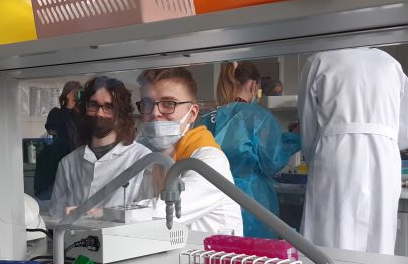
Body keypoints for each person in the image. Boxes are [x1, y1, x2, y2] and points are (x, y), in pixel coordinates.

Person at [298, 48, 408, 255]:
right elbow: (407, 134)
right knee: (379, 233)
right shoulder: (390, 63)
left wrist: (313, 158)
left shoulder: (319, 61)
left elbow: (307, 125)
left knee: (332, 232)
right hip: (384, 156)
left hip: (335, 152)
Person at [199, 61, 300, 238]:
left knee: (222, 250)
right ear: (254, 85)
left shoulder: (208, 118)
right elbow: (272, 161)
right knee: (255, 251)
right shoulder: (258, 117)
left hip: (213, 200)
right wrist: (294, 138)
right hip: (252, 202)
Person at [137, 67, 243, 235]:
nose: (155, 113)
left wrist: (106, 214)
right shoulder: (155, 161)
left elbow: (161, 213)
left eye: (168, 103)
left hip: (210, 251)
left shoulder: (210, 161)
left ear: (192, 113)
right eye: (147, 104)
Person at [50, 77, 153, 217]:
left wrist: (102, 213)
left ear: (121, 114)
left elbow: (150, 216)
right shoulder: (68, 163)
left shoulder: (143, 159)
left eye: (109, 107)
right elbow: (56, 216)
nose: (99, 113)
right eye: (93, 105)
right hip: (75, 232)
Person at [34, 81, 84, 200]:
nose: (77, 96)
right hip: (59, 160)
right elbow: (52, 128)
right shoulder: (57, 113)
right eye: (75, 93)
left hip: (79, 162)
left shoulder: (82, 115)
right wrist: (69, 105)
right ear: (67, 94)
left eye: (79, 93)